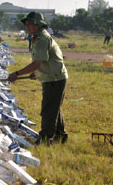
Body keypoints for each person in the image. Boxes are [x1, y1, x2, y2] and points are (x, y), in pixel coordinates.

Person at [8, 12, 69, 145]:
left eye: (30, 24)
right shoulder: (38, 37)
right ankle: (61, 136)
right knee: (54, 107)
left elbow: (37, 63)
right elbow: (45, 62)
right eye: (26, 24)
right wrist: (37, 73)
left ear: (38, 24)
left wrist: (17, 74)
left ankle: (46, 138)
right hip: (55, 77)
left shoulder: (41, 39)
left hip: (55, 79)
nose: (27, 27)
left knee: (48, 110)